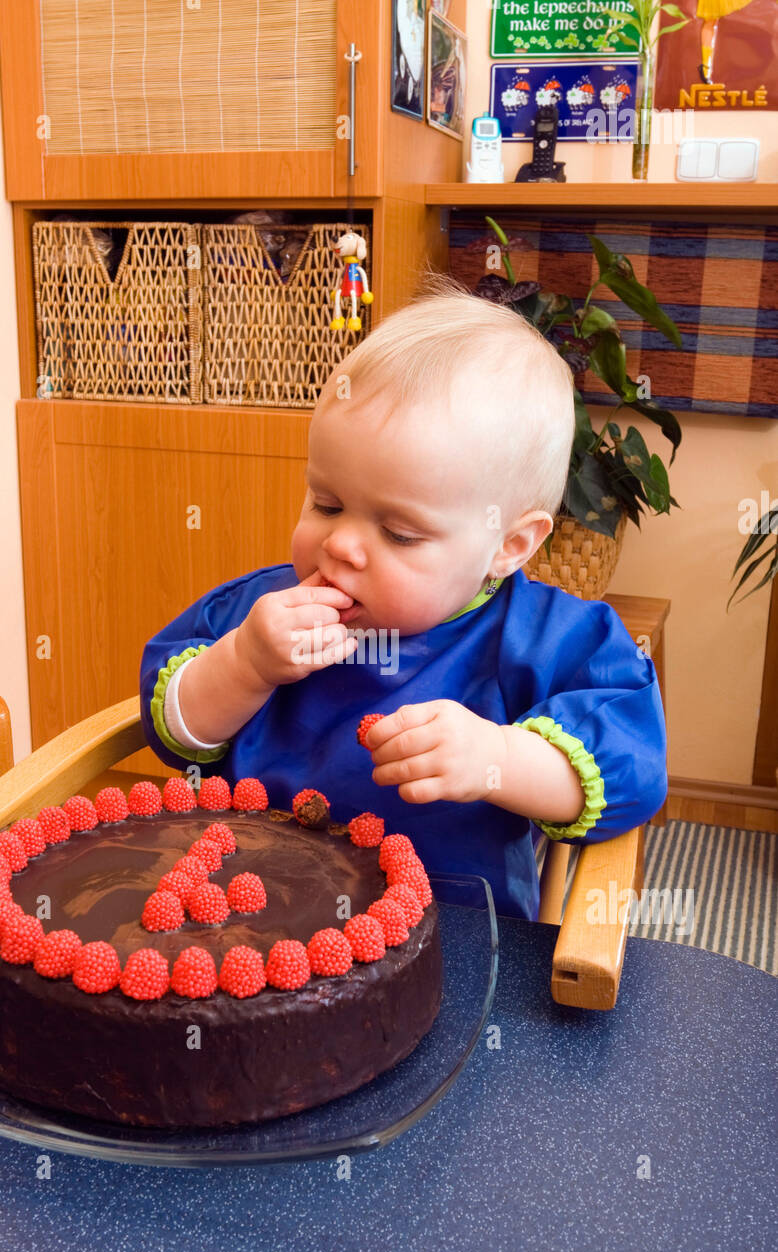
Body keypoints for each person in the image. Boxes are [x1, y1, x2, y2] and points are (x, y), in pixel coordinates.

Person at [139, 275, 668, 921]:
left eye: (399, 533)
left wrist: (498, 758)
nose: (342, 546)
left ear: (509, 544)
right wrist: (244, 665)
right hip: (246, 920)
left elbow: (633, 772)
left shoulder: (545, 638)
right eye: (325, 503)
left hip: (451, 942)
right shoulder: (261, 610)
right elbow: (172, 730)